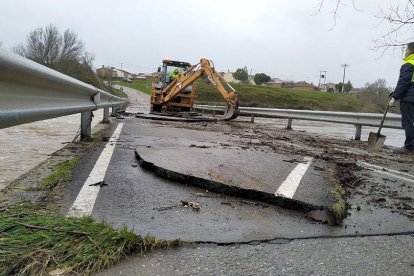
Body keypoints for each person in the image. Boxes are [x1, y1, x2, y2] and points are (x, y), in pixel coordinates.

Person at [390, 42, 414, 154]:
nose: (405, 52)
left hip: (409, 99)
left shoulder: (409, 63)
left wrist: (395, 96)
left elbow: (404, 82)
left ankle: (409, 147)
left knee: (408, 123)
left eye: (406, 50)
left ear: (410, 51)